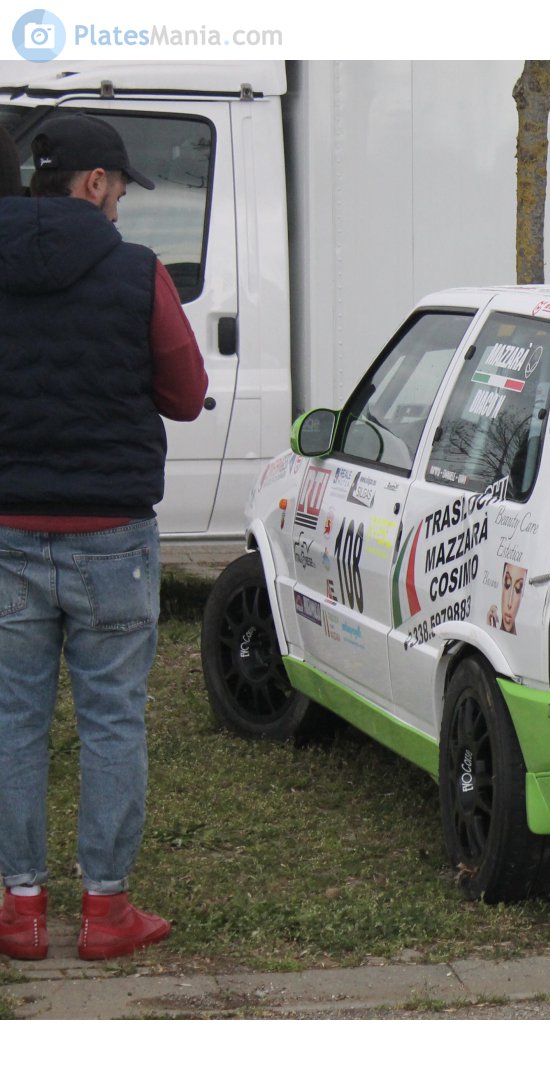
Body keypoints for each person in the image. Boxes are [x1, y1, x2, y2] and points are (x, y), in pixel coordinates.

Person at [0, 114, 208, 960]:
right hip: (113, 539)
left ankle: (18, 908)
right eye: (120, 187)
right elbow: (187, 393)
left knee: (14, 720)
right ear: (92, 183)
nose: (121, 203)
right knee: (112, 721)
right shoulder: (135, 272)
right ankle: (106, 909)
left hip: (7, 529)